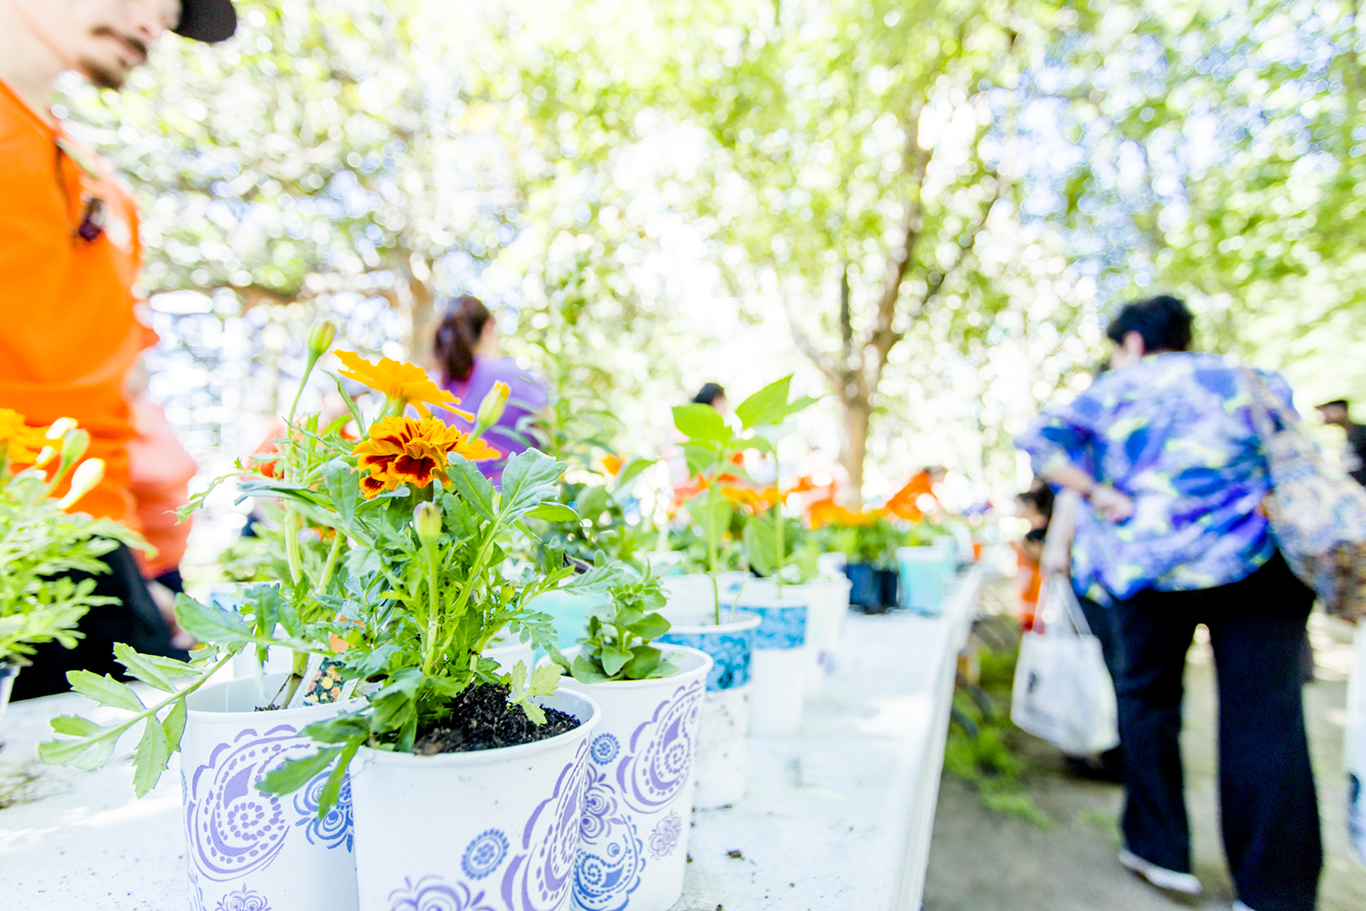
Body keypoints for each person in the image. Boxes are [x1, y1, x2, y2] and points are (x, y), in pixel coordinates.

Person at [1017, 294, 1320, 911]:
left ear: (1130, 342)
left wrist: (1100, 492)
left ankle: (1161, 855)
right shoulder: (1250, 380)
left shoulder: (1116, 388)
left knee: (1149, 705)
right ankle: (1275, 895)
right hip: (1257, 562)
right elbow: (1298, 462)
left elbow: (1041, 441)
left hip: (1147, 566)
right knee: (1266, 721)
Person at [0, 0, 236, 699]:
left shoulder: (104, 192)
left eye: (171, 12)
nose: (157, 20)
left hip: (89, 548)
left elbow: (112, 397)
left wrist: (142, 568)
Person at [432, 295, 548, 483]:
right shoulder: (510, 373)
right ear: (489, 327)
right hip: (515, 503)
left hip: (453, 503)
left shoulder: (432, 383)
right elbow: (553, 435)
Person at [1315, 398, 1366, 486]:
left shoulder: (1361, 432)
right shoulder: (1349, 435)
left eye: (1326, 411)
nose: (1323, 416)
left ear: (1341, 410)